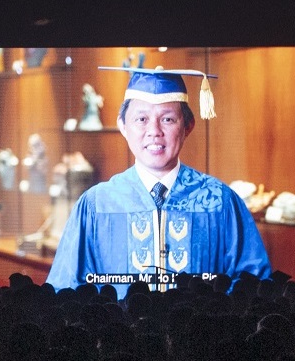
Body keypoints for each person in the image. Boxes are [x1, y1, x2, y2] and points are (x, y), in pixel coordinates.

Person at [46, 68, 270, 293]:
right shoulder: (96, 204)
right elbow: (66, 289)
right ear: (123, 126)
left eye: (168, 119)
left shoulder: (219, 201)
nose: (154, 131)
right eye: (141, 119)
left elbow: (254, 287)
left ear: (187, 126)